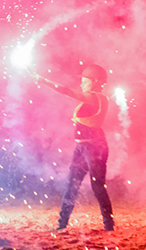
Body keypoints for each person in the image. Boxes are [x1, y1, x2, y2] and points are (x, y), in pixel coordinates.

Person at [33, 64, 115, 232]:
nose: (82, 84)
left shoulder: (97, 97)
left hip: (95, 148)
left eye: (85, 81)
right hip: (81, 147)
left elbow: (67, 91)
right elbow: (86, 118)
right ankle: (62, 225)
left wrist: (44, 81)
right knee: (72, 185)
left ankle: (109, 226)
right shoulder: (91, 99)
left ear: (96, 82)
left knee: (98, 187)